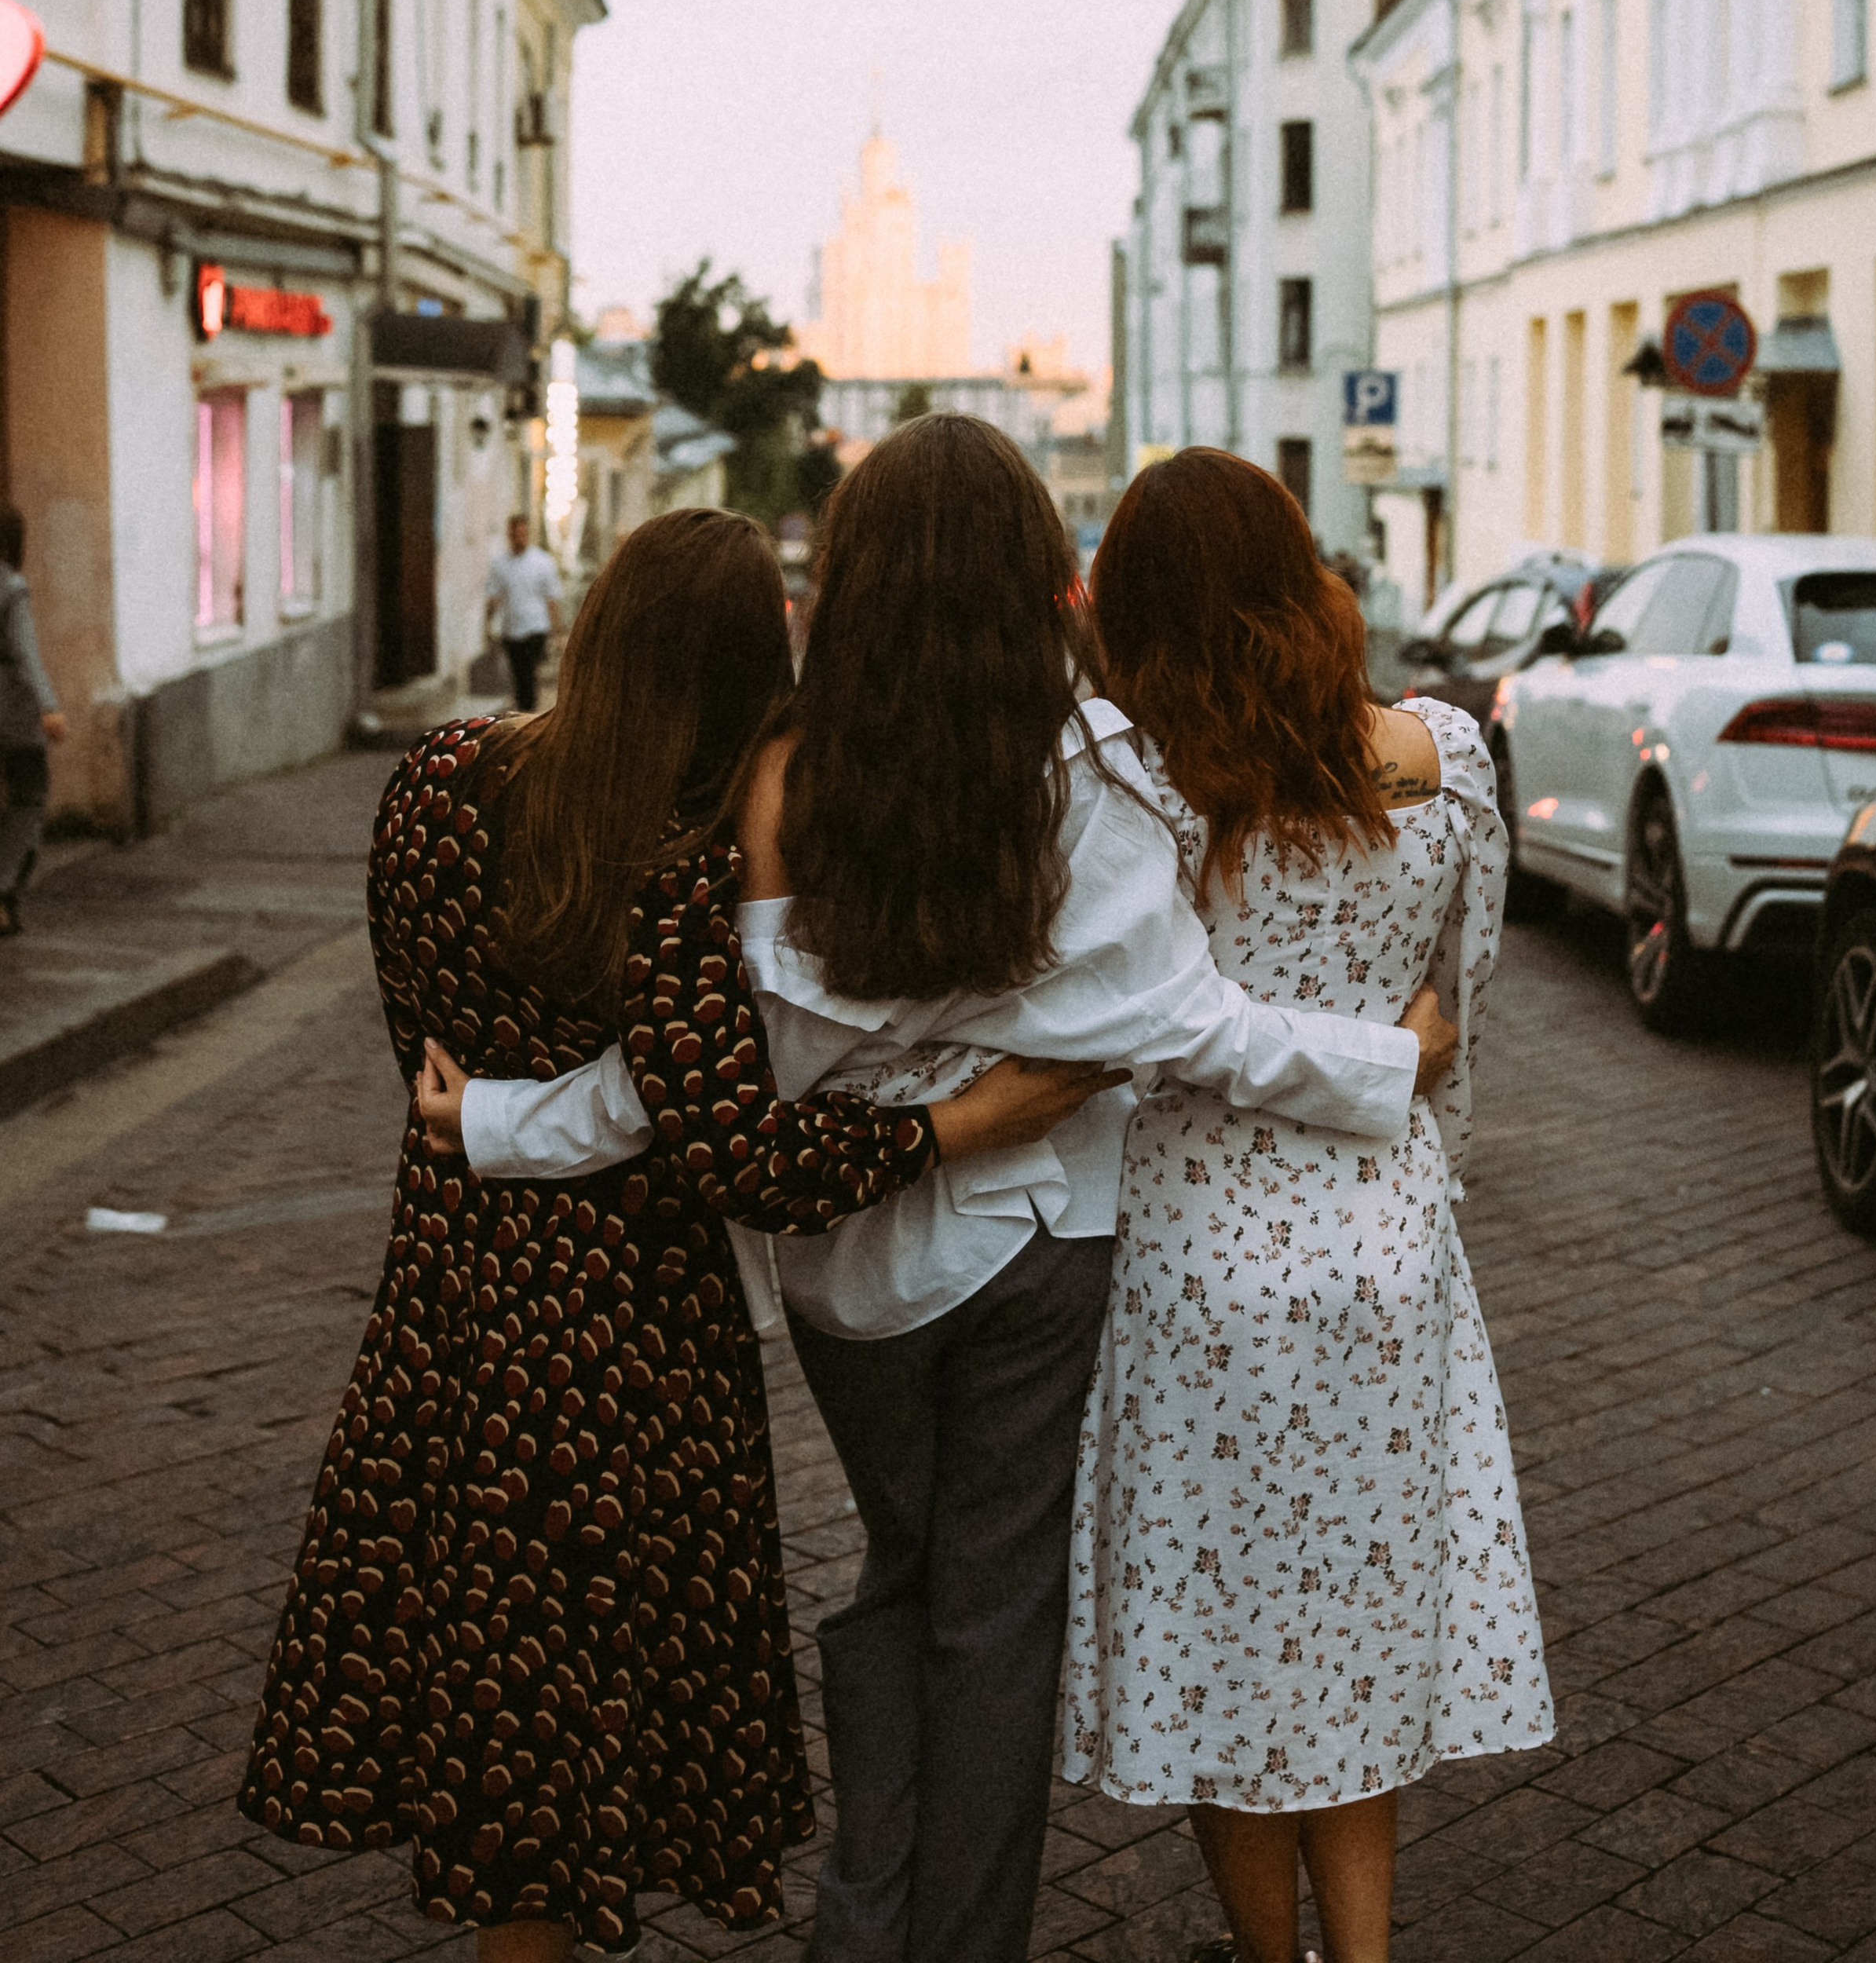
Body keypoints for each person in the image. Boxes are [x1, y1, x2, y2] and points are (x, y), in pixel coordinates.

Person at [447, 416, 1458, 1963]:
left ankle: (867, 1917)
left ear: (845, 579)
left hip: (851, 1286)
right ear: (1034, 583)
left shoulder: (782, 775)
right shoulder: (1090, 775)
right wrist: (1386, 1063)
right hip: (1040, 1250)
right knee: (991, 1621)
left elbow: (721, 1067)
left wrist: (497, 1124)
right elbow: (1191, 1025)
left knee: (897, 1575)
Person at [240, 508, 1117, 1962]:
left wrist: (488, 1123)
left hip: (451, 1297)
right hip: (624, 1337)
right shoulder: (677, 862)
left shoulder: (435, 780)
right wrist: (971, 1124)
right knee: (568, 1713)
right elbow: (741, 1148)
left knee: (487, 1690)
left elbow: (428, 1047)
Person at [1062, 448, 1553, 1963]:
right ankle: (1368, 1953)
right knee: (1357, 1633)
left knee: (1228, 1643)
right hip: (1390, 1247)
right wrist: (1420, 1148)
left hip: (1198, 1257)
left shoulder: (1138, 779)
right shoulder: (1447, 760)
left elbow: (1144, 1023)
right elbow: (1454, 1006)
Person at [0, 505, 64, 936]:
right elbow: (25, 654)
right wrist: (49, 707)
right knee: (30, 794)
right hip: (11, 709)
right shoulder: (11, 586)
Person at [486, 510, 562, 711]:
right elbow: (493, 597)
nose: (519, 538)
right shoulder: (500, 564)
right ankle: (525, 708)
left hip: (536, 626)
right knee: (519, 673)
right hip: (511, 628)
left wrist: (556, 631)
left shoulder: (542, 562)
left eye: (522, 533)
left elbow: (552, 598)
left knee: (528, 671)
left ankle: (528, 710)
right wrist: (487, 625)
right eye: (515, 533)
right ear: (509, 535)